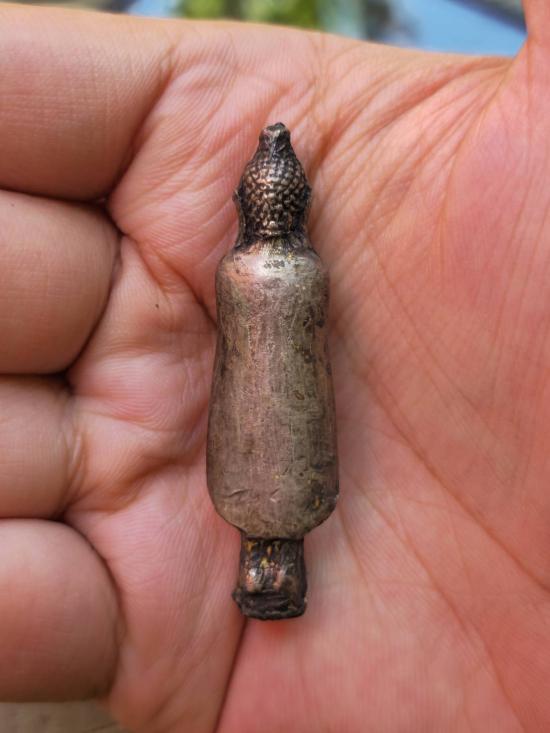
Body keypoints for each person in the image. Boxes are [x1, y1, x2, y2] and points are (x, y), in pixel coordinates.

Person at [1, 2, 549, 731]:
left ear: (247, 203)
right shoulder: (294, 271)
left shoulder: (246, 271)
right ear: (295, 204)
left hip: (263, 471)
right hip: (270, 469)